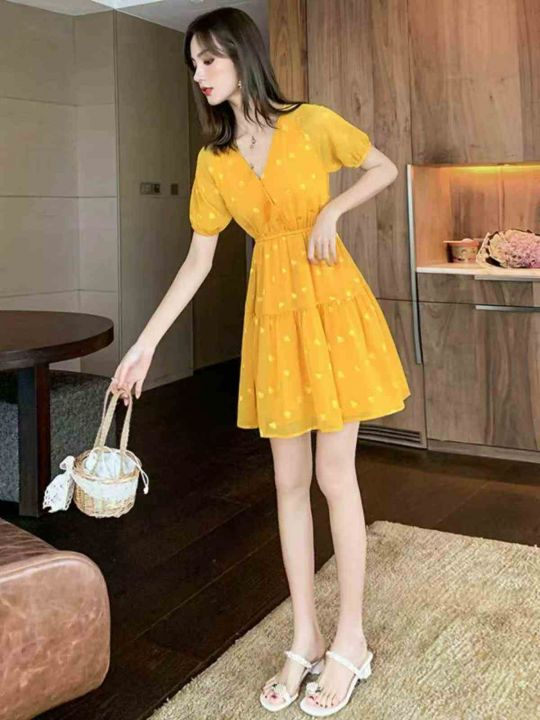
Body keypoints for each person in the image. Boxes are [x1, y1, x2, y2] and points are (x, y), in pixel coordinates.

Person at [109, 6, 410, 716]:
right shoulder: (213, 162)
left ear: (241, 56)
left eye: (208, 60)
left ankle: (352, 638)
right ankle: (306, 634)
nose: (198, 74)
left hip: (332, 306)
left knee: (335, 475)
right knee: (287, 481)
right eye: (192, 65)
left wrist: (332, 212)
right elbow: (198, 262)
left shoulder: (311, 124)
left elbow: (383, 166)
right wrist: (145, 343)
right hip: (274, 320)